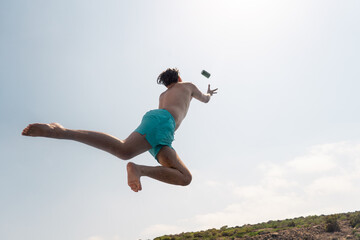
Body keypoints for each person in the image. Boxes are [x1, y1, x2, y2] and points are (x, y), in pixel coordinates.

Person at [22, 68, 218, 192]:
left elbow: (158, 115)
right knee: (124, 150)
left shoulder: (163, 94)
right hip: (163, 123)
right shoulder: (188, 85)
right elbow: (205, 99)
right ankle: (61, 131)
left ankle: (140, 170)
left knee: (185, 178)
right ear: (179, 77)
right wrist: (208, 93)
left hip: (160, 128)